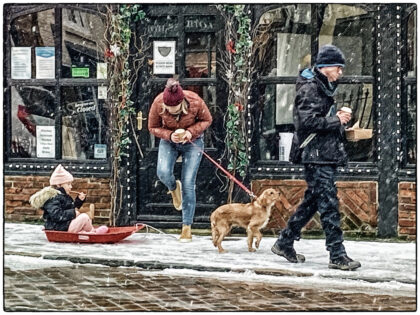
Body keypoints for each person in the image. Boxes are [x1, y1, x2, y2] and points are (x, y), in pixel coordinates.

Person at [271, 45, 361, 271]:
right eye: (338, 68)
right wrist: (336, 120)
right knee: (329, 204)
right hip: (315, 155)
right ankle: (337, 254)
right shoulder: (311, 88)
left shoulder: (324, 87)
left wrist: (341, 123)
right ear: (325, 67)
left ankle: (285, 241)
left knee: (313, 201)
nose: (341, 72)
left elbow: (319, 120)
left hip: (324, 153)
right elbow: (306, 122)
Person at [148, 78, 212, 242]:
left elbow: (207, 120)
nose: (170, 111)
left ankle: (186, 227)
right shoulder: (158, 102)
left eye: (174, 109)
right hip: (169, 141)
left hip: (192, 141)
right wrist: (169, 135)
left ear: (182, 102)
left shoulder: (195, 101)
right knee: (162, 172)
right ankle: (173, 187)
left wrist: (191, 132)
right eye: (167, 108)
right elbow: (152, 127)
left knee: (189, 181)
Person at [29, 164, 108, 234]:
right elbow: (57, 215)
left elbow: (71, 208)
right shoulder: (53, 198)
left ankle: (89, 231)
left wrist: (79, 201)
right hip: (58, 228)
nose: (71, 187)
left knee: (85, 218)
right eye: (68, 184)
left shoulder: (64, 196)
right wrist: (73, 213)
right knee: (84, 217)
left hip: (64, 226)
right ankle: (93, 233)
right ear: (59, 184)